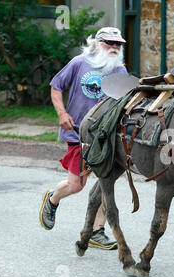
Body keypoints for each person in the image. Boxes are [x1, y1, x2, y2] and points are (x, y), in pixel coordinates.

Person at [39, 27, 128, 250]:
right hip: (78, 131)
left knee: (105, 182)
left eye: (118, 44)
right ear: (97, 43)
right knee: (76, 185)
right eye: (109, 42)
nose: (115, 47)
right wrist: (62, 113)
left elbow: (127, 101)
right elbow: (56, 86)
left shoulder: (120, 70)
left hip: (106, 135)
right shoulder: (79, 62)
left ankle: (97, 231)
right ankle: (52, 199)